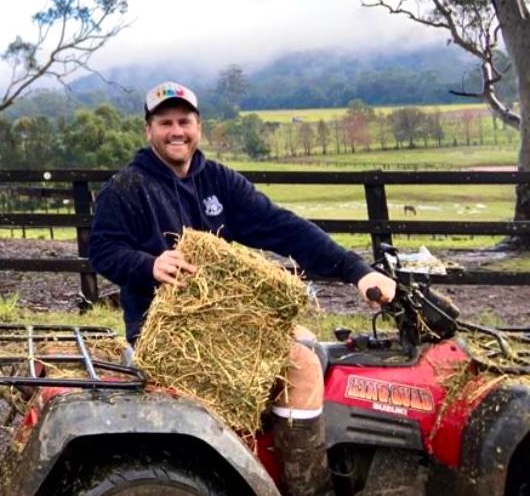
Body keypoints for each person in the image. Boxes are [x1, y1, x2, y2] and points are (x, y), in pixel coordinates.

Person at [89, 81, 397, 496]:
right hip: (166, 336)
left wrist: (357, 271)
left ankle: (270, 448)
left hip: (222, 324)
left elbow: (283, 227)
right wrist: (148, 264)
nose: (176, 131)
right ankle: (307, 487)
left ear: (198, 126)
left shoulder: (218, 181)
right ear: (149, 130)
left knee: (314, 345)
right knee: (301, 364)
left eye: (184, 121)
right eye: (165, 123)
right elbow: (103, 250)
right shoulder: (127, 187)